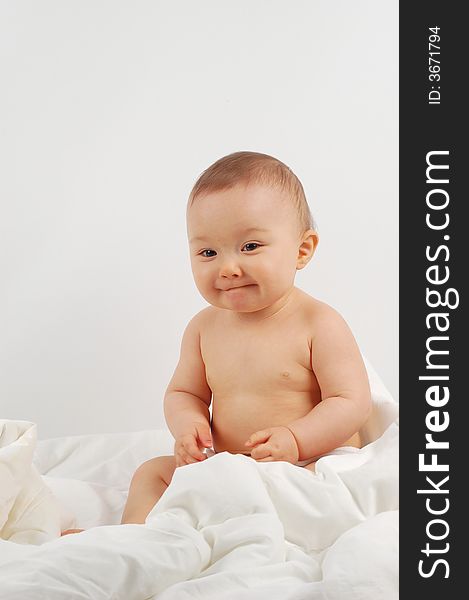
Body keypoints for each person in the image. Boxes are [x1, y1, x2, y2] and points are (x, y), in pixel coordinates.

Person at [120, 151, 372, 525]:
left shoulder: (319, 323)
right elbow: (184, 393)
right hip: (231, 468)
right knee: (151, 473)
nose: (228, 268)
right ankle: (127, 541)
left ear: (302, 250)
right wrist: (187, 425)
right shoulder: (203, 328)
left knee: (322, 496)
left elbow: (351, 402)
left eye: (250, 247)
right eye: (208, 251)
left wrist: (297, 439)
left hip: (303, 465)